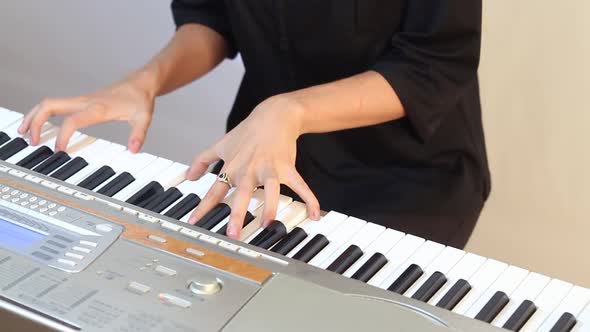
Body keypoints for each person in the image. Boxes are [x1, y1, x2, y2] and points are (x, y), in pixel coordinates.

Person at [18, 0, 490, 249]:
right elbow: (213, 17)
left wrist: (289, 110)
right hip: (263, 157)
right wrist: (147, 80)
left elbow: (435, 63)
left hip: (406, 179)